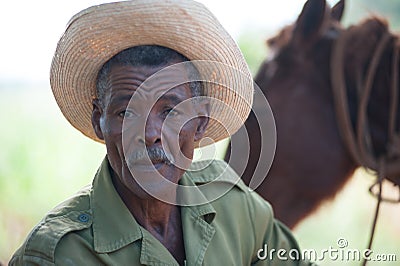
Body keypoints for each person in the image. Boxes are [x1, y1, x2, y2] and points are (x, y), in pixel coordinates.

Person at [10, 1, 312, 265]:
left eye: (171, 111)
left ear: (201, 122)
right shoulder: (56, 254)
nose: (150, 134)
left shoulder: (236, 208)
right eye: (126, 113)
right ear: (99, 120)